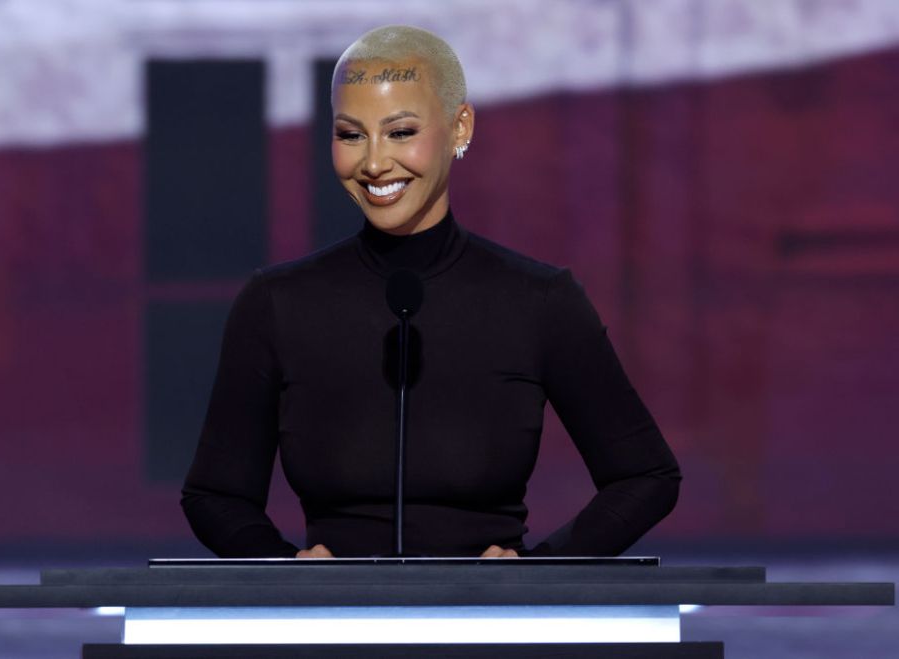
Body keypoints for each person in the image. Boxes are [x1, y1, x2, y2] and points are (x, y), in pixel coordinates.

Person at [181, 25, 681, 559]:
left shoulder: (539, 300)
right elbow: (215, 495)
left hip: (489, 614)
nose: (374, 163)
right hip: (334, 613)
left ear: (460, 127)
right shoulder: (277, 303)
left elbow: (646, 475)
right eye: (350, 135)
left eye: (400, 132)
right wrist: (287, 571)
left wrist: (539, 573)